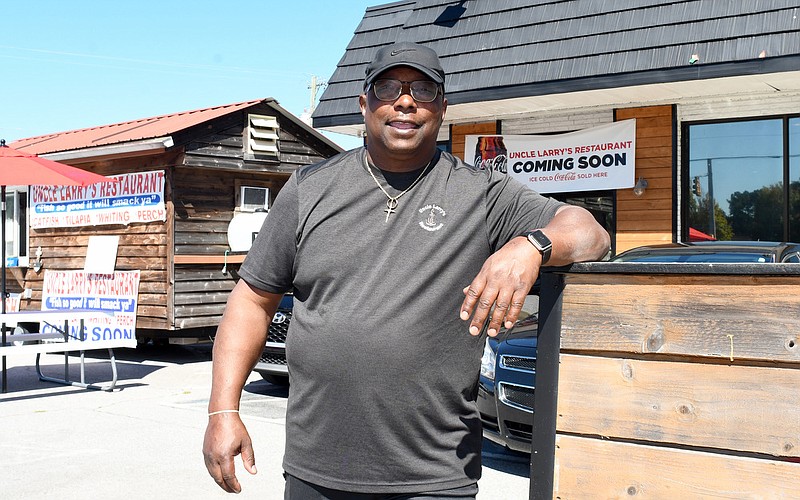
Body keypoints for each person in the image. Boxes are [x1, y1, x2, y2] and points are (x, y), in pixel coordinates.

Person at [203, 41, 610, 499]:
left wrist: (531, 245)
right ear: (363, 104)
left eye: (423, 89)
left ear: (442, 109)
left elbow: (590, 232)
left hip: (434, 475)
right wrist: (222, 411)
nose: (405, 100)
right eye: (388, 87)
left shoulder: (483, 195)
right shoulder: (308, 190)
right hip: (316, 470)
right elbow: (252, 302)